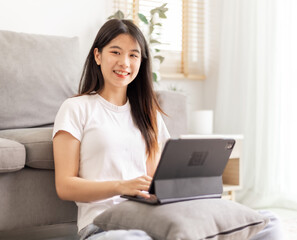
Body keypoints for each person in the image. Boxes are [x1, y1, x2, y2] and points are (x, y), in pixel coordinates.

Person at [53, 19, 282, 240]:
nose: (125, 62)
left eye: (133, 55)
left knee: (269, 222)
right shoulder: (76, 108)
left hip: (154, 219)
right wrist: (121, 187)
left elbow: (156, 179)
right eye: (115, 52)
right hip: (103, 225)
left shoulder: (148, 113)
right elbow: (65, 186)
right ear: (97, 55)